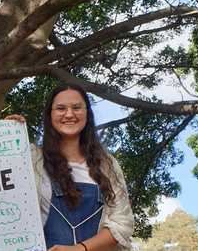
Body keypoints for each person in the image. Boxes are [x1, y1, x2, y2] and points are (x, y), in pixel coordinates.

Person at [7, 84, 133, 251]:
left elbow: (122, 224)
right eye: (60, 108)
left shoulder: (106, 164)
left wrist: (79, 249)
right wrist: (5, 133)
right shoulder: (32, 158)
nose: (69, 114)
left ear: (87, 114)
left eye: (76, 108)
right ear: (49, 115)